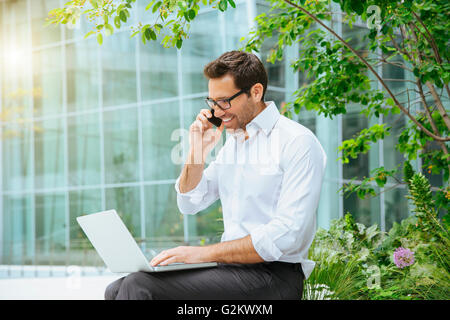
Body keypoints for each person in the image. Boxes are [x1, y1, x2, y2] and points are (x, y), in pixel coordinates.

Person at [105, 50, 327, 300]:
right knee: (115, 289)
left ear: (256, 92)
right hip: (229, 271)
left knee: (139, 286)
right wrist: (197, 150)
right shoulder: (234, 145)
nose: (217, 111)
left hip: (275, 277)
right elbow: (189, 203)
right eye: (212, 102)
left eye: (224, 101)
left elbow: (288, 235)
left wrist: (201, 254)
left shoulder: (297, 142)